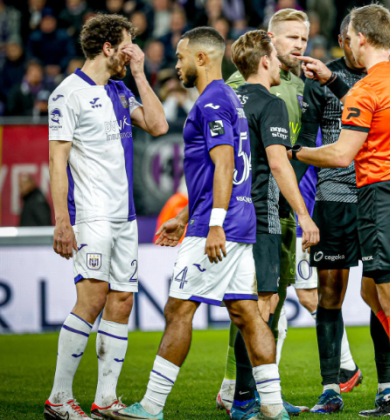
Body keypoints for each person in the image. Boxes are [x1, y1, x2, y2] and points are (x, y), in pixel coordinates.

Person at [112, 27, 287, 420]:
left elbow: (225, 163)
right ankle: (274, 408)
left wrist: (213, 225)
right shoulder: (229, 101)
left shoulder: (211, 102)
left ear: (202, 58)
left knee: (178, 311)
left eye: (180, 57)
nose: (177, 65)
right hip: (239, 221)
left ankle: (152, 406)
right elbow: (216, 173)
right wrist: (186, 214)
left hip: (219, 227)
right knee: (245, 312)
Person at [293, 4, 390, 416]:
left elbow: (342, 154)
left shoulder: (365, 91)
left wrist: (293, 151)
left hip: (382, 197)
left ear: (357, 38)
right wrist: (334, 81)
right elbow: (377, 106)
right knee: (371, 291)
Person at [45, 13, 168, 420]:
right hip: (92, 216)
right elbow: (57, 161)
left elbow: (158, 123)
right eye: (128, 44)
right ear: (108, 47)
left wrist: (138, 74)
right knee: (93, 298)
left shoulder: (120, 89)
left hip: (125, 217)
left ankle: (105, 399)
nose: (133, 49)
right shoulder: (68, 94)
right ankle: (60, 398)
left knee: (121, 302)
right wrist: (62, 220)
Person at [222, 29, 320, 420]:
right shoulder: (270, 102)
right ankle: (249, 399)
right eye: (277, 59)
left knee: (248, 308)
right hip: (263, 216)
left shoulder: (225, 100)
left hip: (229, 217)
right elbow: (279, 165)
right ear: (265, 62)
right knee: (264, 307)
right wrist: (303, 214)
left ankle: (259, 395)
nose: (282, 64)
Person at [297, 15, 390, 414]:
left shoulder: (387, 74)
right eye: (349, 40)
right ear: (342, 40)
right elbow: (303, 142)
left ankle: (387, 385)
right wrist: (296, 204)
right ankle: (331, 387)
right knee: (329, 297)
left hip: (377, 198)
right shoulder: (321, 80)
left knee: (380, 295)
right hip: (334, 199)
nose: (354, 46)